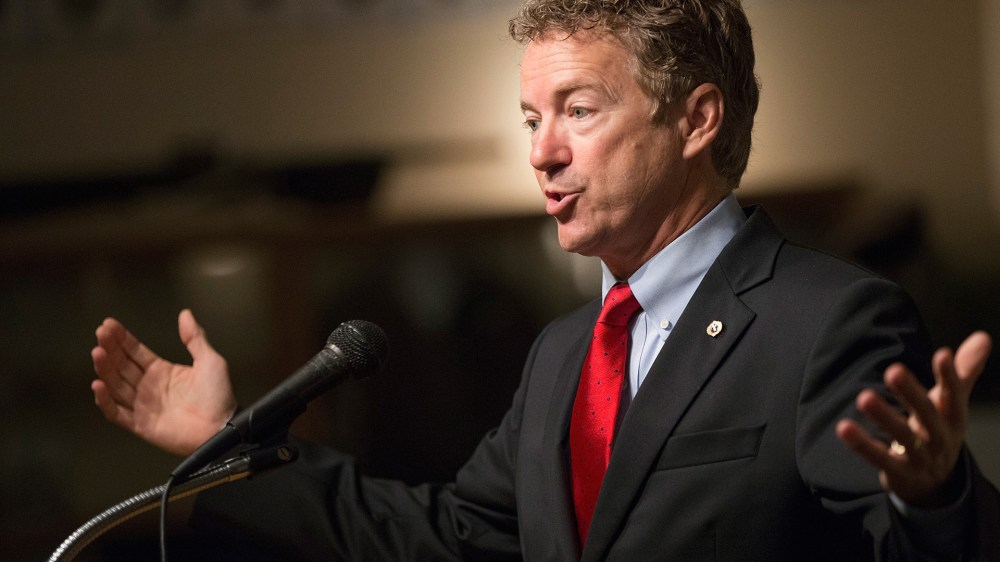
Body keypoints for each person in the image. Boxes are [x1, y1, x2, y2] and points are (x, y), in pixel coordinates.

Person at [91, 0, 1000, 560]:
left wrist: (936, 499)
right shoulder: (565, 354)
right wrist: (223, 443)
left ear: (697, 119)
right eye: (531, 117)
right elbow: (444, 537)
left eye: (578, 109)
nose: (542, 152)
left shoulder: (829, 321)